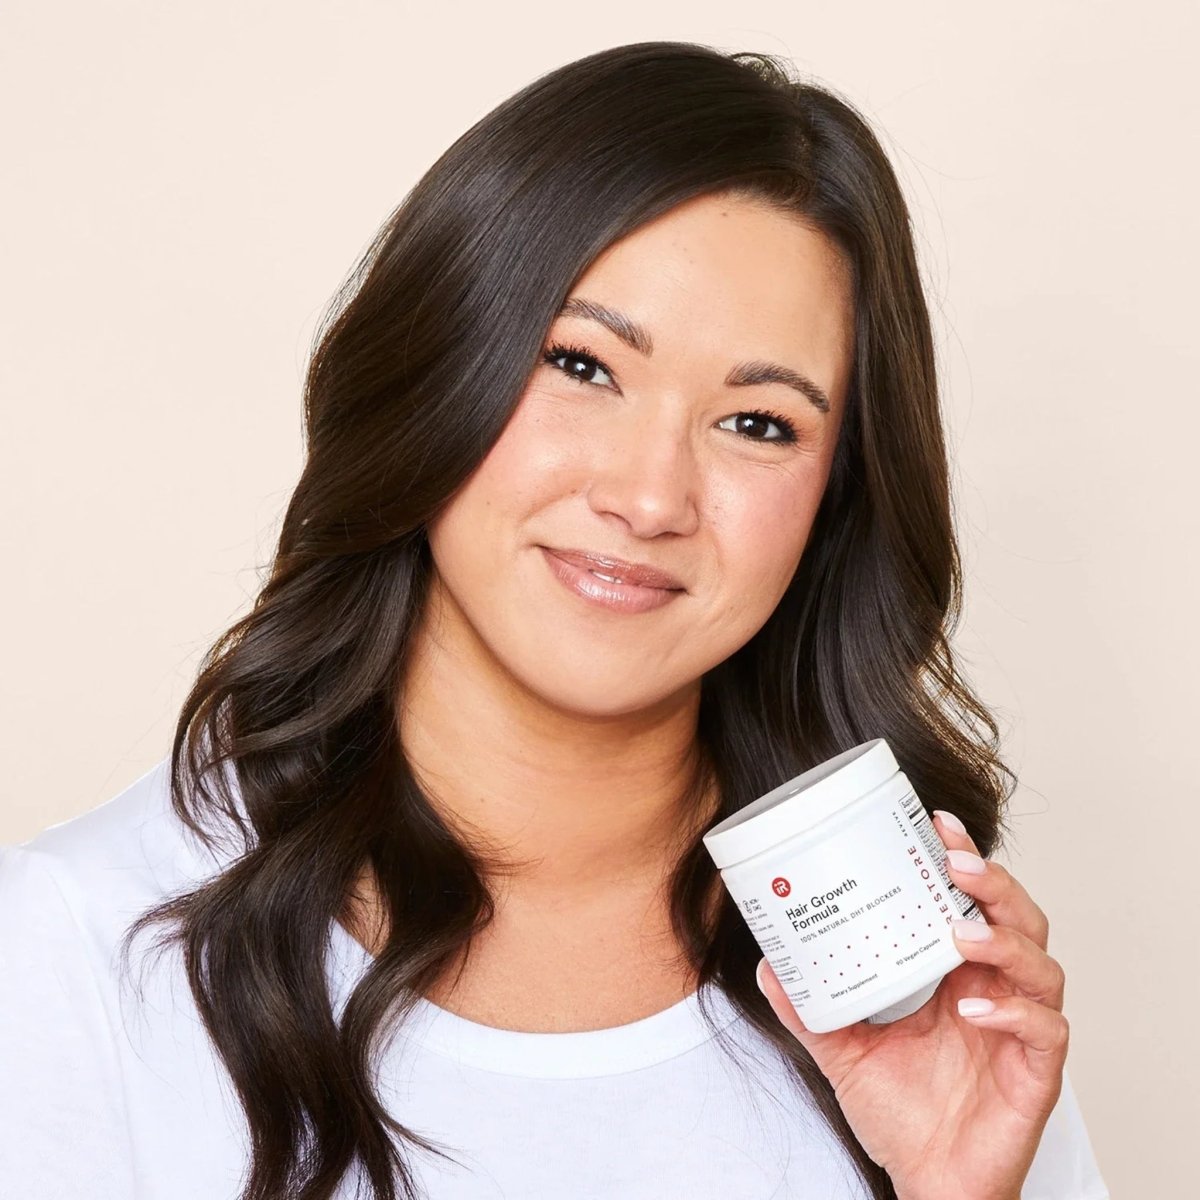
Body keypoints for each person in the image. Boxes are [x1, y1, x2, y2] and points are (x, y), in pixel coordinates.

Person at [0, 41, 1110, 1200]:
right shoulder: (75, 948)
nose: (648, 497)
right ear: (439, 367)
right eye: (582, 364)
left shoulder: (913, 976)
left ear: (835, 497)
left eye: (759, 424)